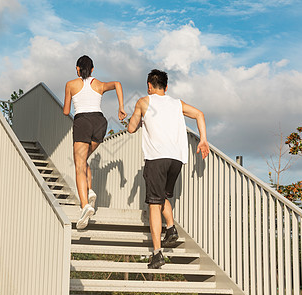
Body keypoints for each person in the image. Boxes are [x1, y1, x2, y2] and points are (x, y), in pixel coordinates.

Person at [128, 69, 209, 269]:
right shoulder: (177, 103)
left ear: (149, 85)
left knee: (154, 204)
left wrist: (133, 119)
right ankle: (171, 228)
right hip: (177, 159)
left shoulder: (143, 102)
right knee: (162, 195)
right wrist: (203, 140)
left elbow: (131, 128)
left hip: (156, 158)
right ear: (166, 86)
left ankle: (157, 254)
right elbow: (199, 114)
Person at [63, 55, 127, 230]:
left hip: (82, 120)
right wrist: (121, 107)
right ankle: (89, 190)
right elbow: (117, 84)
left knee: (78, 165)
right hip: (100, 122)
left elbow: (66, 110)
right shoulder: (98, 84)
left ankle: (85, 206)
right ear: (92, 69)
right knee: (84, 160)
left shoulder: (71, 84)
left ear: (77, 68)